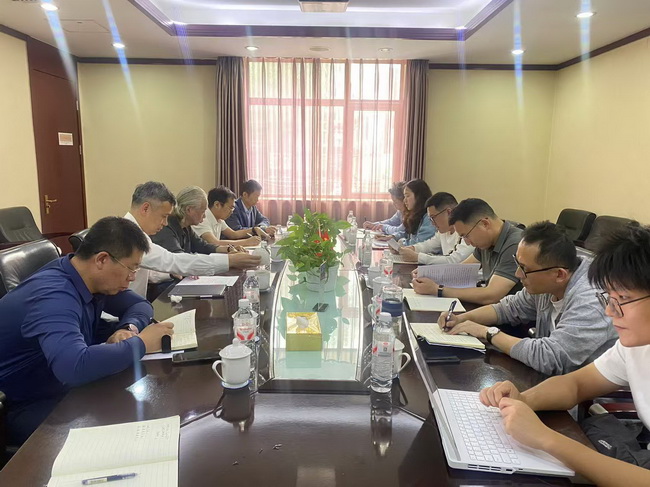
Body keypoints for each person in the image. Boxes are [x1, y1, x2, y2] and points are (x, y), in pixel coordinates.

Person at [479, 224, 650, 486]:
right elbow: (576, 384)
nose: (609, 312)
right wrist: (523, 399)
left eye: (623, 298)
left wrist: (545, 439)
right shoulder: (635, 346)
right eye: (609, 298)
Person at [0, 217, 175, 445]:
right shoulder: (54, 295)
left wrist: (127, 329)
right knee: (127, 435)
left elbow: (140, 305)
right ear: (102, 259)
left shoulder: (86, 277)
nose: (132, 278)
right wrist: (141, 343)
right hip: (26, 404)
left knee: (142, 410)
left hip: (60, 387)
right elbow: (73, 367)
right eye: (130, 268)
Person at [438, 221, 617, 375]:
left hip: (588, 397)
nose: (518, 274)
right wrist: (462, 319)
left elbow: (549, 358)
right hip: (553, 381)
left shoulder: (591, 301)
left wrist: (488, 332)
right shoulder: (548, 280)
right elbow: (508, 308)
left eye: (524, 269)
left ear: (559, 274)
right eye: (518, 264)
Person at [124, 181, 260, 297]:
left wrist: (169, 273)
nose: (165, 223)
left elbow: (151, 271)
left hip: (135, 304)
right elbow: (174, 261)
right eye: (163, 216)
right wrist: (229, 261)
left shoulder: (137, 233)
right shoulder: (129, 236)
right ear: (145, 209)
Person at [412, 198, 522, 305]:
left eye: (466, 236)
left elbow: (491, 295)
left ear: (485, 224)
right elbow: (462, 270)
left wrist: (437, 289)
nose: (468, 243)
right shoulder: (486, 242)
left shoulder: (515, 244)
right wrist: (428, 274)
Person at [398, 192, 474, 265]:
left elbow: (455, 260)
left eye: (433, 217)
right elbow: (429, 245)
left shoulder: (466, 231)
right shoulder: (443, 231)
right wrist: (410, 249)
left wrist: (418, 257)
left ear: (449, 212)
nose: (432, 223)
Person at [152, 186, 221, 255]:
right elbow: (179, 257)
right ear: (189, 210)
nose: (204, 216)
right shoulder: (166, 227)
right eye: (203, 211)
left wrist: (225, 249)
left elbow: (202, 246)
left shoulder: (186, 227)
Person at [192, 186, 262, 248]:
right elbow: (214, 243)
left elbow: (233, 234)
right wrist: (246, 242)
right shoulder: (202, 218)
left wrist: (254, 230)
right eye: (231, 208)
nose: (232, 211)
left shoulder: (219, 218)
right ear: (217, 205)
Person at [401, 179, 436, 246]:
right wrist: (394, 237)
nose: (404, 200)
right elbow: (405, 233)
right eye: (404, 196)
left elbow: (419, 243)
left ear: (419, 197)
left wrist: (401, 243)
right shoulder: (414, 214)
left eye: (407, 196)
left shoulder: (428, 218)